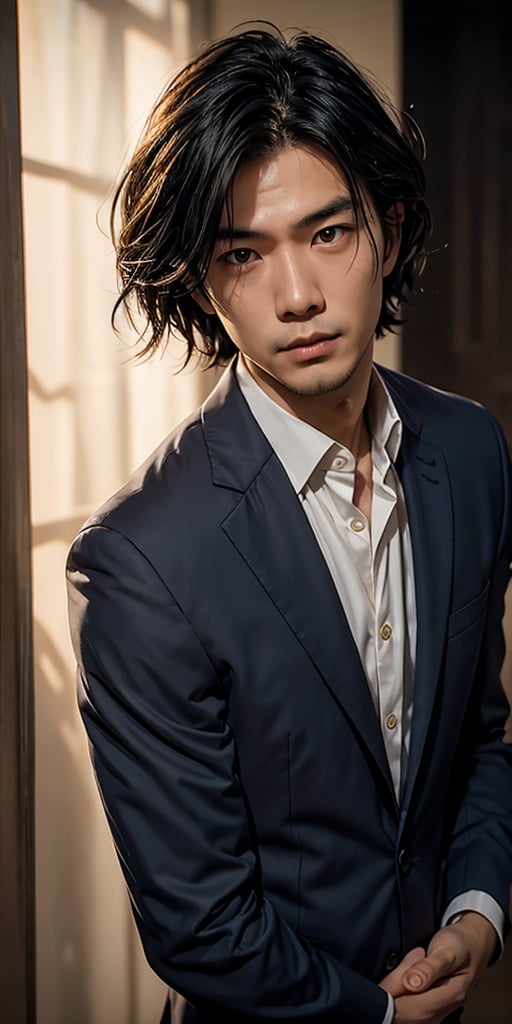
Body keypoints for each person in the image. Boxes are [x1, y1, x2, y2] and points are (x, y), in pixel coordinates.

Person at [66, 23, 512, 1024]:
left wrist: (477, 912)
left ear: (387, 231)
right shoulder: (141, 560)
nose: (298, 294)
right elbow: (199, 925)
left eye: (327, 232)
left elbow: (479, 737)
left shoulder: (472, 454)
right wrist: (383, 1014)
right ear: (199, 280)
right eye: (243, 252)